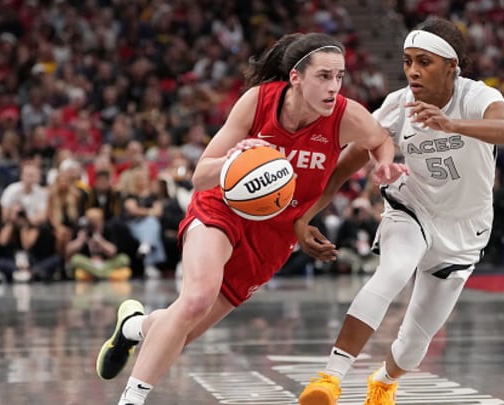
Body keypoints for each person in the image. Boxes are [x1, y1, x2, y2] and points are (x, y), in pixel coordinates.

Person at [95, 32, 406, 405]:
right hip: (222, 209)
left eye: (339, 77)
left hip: (273, 235)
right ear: (295, 77)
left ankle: (132, 327)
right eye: (324, 76)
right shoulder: (258, 103)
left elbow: (380, 139)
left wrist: (385, 163)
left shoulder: (344, 116)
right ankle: (131, 400)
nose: (333, 87)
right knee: (195, 299)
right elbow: (200, 176)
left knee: (183, 330)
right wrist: (234, 159)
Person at [296, 17, 504, 405]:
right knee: (393, 272)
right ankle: (329, 379)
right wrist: (304, 216)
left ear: (452, 66)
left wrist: (453, 125)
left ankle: (383, 381)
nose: (413, 71)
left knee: (414, 345)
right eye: (407, 61)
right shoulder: (398, 104)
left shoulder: (476, 96)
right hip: (413, 208)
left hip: (465, 231)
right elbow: (345, 166)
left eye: (424, 62)